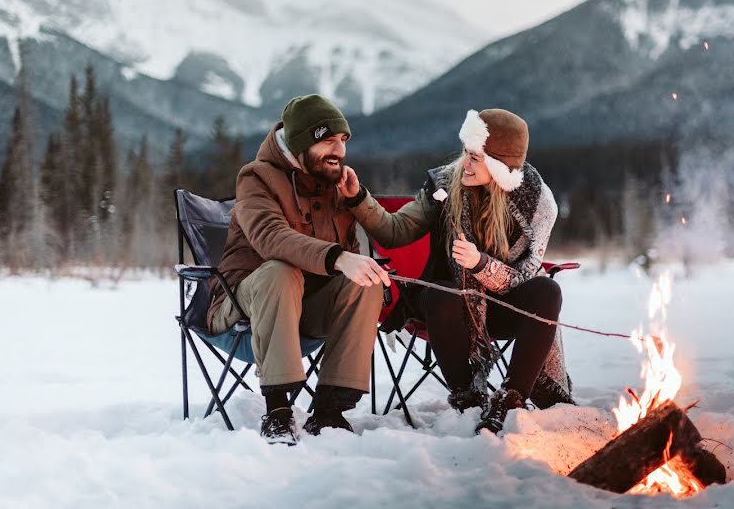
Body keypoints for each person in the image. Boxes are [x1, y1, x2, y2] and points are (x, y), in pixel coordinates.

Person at [339, 108, 574, 435]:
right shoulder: (445, 184)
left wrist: (480, 264)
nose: (465, 163)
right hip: (448, 310)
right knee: (441, 294)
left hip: (500, 303)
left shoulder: (537, 203)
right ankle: (469, 397)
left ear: (499, 166)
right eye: (466, 153)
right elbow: (396, 230)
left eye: (476, 158)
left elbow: (523, 275)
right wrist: (358, 198)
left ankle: (511, 398)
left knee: (548, 291)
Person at [208, 94, 391, 445]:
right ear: (301, 143)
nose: (338, 150)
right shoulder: (255, 179)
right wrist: (339, 257)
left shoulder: (336, 183)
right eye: (327, 140)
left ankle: (329, 410)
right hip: (241, 309)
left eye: (342, 141)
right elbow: (270, 237)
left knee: (366, 280)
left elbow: (388, 234)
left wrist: (356, 258)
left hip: (306, 310)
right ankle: (277, 411)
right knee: (281, 270)